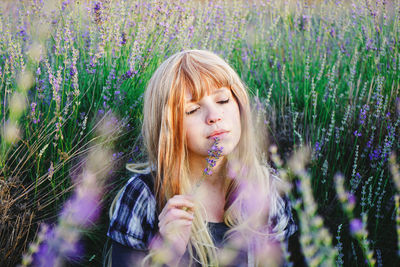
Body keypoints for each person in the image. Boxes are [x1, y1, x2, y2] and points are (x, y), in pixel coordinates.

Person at [107, 50, 297, 266]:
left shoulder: (268, 191)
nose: (214, 116)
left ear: (239, 105)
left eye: (223, 100)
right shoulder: (145, 196)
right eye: (193, 110)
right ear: (169, 127)